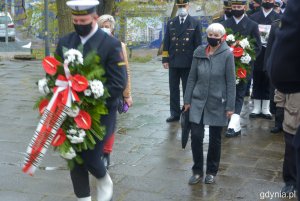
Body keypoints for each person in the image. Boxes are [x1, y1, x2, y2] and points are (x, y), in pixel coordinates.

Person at [55, 1, 127, 201]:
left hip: (100, 112)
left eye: (83, 20)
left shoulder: (110, 44)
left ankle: (104, 178)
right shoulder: (65, 42)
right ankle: (83, 198)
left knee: (92, 156)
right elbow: (56, 74)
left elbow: (119, 82)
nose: (79, 24)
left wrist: (90, 98)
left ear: (94, 18)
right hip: (70, 110)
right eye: (75, 20)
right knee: (74, 158)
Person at [184, 23, 236, 185]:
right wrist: (186, 100)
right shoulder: (198, 52)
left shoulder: (227, 54)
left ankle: (212, 171)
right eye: (210, 34)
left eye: (216, 35)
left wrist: (230, 106)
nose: (212, 37)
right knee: (197, 136)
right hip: (197, 100)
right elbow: (192, 78)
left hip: (217, 101)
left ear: (222, 37)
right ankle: (197, 170)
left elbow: (231, 82)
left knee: (215, 139)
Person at [268, 0, 300, 196]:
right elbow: (281, 85)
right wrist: (279, 104)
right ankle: (289, 181)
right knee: (289, 150)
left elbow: (279, 69)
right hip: (292, 112)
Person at [97, 14, 133, 169]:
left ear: (112, 28)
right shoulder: (91, 43)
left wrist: (127, 94)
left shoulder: (119, 45)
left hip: (113, 89)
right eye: (102, 26)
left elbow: (126, 71)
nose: (105, 29)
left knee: (110, 123)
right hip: (94, 89)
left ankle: (106, 154)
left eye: (108, 26)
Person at [222, 0, 262, 137]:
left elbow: (257, 46)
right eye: (234, 7)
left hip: (243, 66)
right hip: (226, 65)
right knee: (227, 92)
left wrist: (246, 56)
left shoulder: (252, 25)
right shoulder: (224, 25)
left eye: (239, 7)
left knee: (239, 93)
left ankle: (234, 124)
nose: (237, 9)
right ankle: (227, 117)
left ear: (244, 7)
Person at [162, 0, 202, 123]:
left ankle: (187, 111)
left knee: (187, 88)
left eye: (183, 6)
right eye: (179, 6)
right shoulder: (171, 22)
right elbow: (167, 42)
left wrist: (198, 62)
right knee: (173, 88)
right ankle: (174, 113)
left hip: (188, 62)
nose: (181, 8)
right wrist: (165, 59)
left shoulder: (195, 23)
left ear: (188, 6)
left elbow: (198, 45)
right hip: (173, 61)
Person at [249, 0, 280, 119]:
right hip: (257, 52)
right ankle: (256, 107)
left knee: (268, 78)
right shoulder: (254, 17)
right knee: (256, 77)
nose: (267, 1)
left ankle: (266, 107)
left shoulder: (278, 18)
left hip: (271, 51)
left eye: (270, 0)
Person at [274, 91, 300, 195]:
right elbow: (281, 84)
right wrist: (280, 106)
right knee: (291, 151)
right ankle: (290, 182)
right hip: (293, 116)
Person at [264, 18, 283, 133]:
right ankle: (278, 122)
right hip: (278, 64)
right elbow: (269, 47)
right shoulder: (277, 24)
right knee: (277, 95)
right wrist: (267, 66)